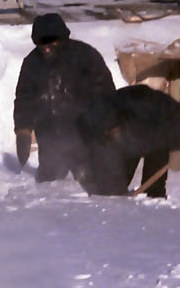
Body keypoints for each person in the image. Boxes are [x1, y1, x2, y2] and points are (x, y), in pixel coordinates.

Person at [13, 13, 115, 183]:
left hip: (83, 132)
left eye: (51, 42)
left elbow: (104, 91)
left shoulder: (85, 57)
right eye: (41, 43)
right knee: (49, 182)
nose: (46, 48)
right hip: (49, 133)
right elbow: (25, 97)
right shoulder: (32, 63)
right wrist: (23, 130)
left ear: (62, 39)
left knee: (87, 180)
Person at [75, 84, 180, 198]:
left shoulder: (151, 106)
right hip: (131, 138)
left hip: (157, 137)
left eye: (112, 131)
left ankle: (154, 203)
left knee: (154, 190)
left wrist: (179, 147)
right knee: (112, 187)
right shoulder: (95, 115)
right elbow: (86, 139)